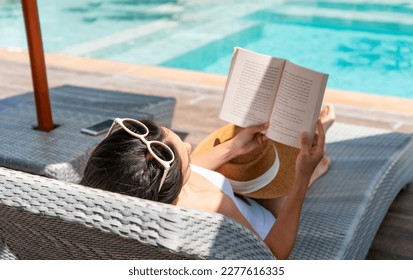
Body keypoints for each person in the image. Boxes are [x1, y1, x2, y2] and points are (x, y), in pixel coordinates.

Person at [81, 105, 335, 259]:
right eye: (188, 158)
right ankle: (309, 173)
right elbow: (273, 255)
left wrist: (233, 148)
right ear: (175, 182)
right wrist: (301, 178)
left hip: (240, 203)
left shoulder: (129, 193)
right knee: (289, 164)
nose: (191, 145)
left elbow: (185, 169)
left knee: (259, 157)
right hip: (270, 228)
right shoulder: (209, 205)